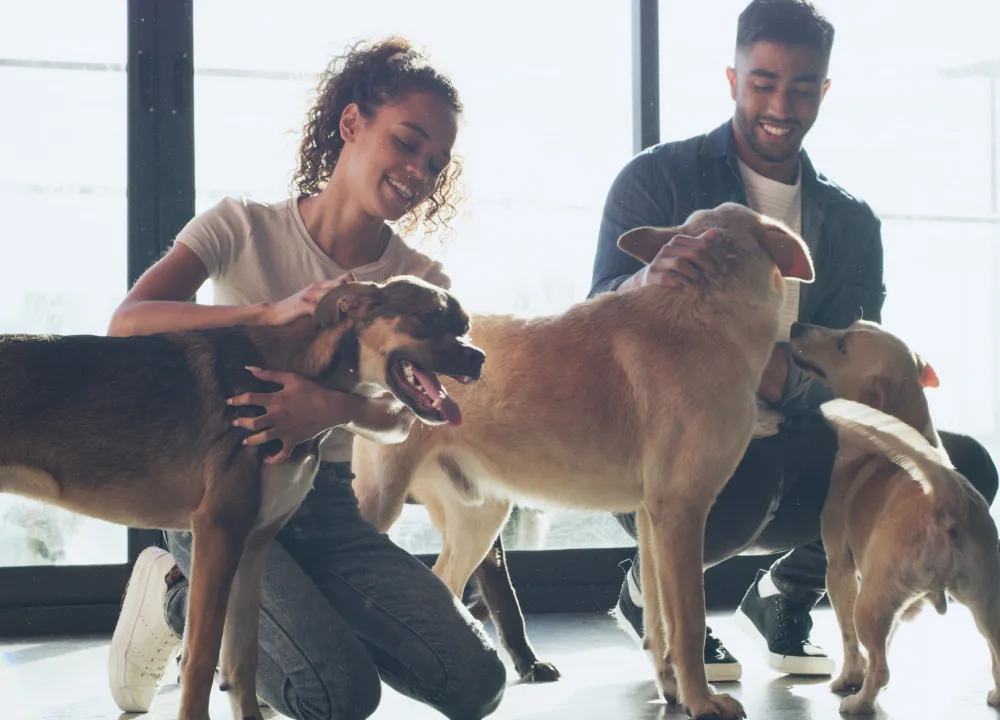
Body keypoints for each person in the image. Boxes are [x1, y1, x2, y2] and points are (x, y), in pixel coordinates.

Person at [590, 0, 999, 684]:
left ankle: (790, 591)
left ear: (824, 91)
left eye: (802, 87)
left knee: (963, 474)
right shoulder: (655, 183)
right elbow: (595, 321)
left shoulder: (851, 223)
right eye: (764, 82)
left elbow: (854, 366)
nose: (781, 104)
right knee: (743, 485)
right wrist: (642, 283)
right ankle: (648, 591)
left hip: (804, 438)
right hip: (680, 445)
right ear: (732, 79)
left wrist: (783, 379)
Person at [104, 37, 506, 720]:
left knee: (476, 682)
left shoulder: (419, 282)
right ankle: (180, 594)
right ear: (352, 124)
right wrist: (264, 312)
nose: (419, 170)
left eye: (435, 163)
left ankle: (299, 614)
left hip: (323, 506)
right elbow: (126, 322)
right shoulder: (241, 228)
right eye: (406, 143)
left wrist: (328, 405)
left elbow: (399, 419)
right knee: (338, 697)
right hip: (216, 490)